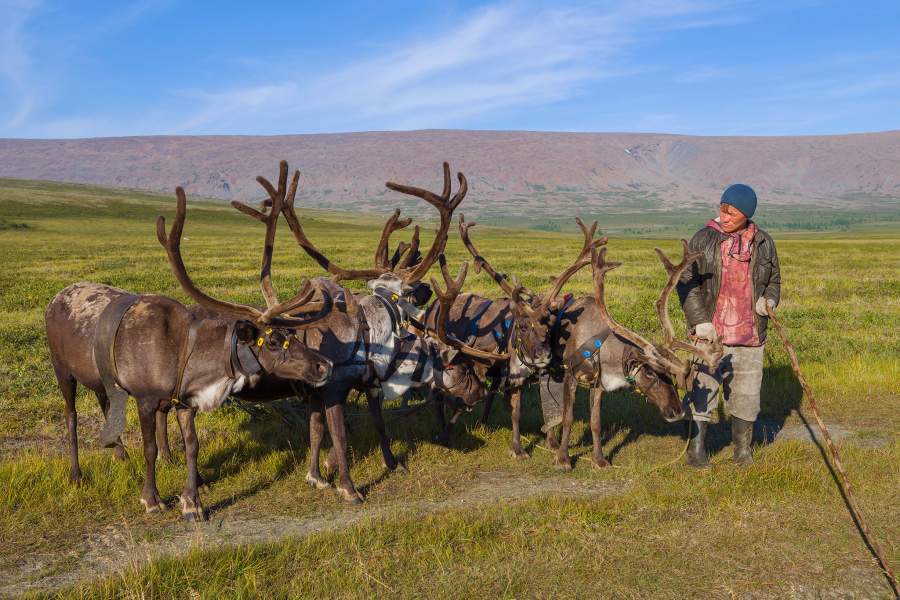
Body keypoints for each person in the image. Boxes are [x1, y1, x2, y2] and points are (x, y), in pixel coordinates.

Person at [677, 184, 781, 467]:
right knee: (702, 391)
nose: (724, 217)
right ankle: (696, 452)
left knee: (747, 396)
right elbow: (686, 283)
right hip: (710, 335)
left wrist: (769, 300)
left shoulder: (764, 242)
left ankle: (742, 452)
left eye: (731, 213)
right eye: (722, 210)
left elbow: (773, 280)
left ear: (746, 214)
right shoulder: (703, 238)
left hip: (750, 335)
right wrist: (699, 321)